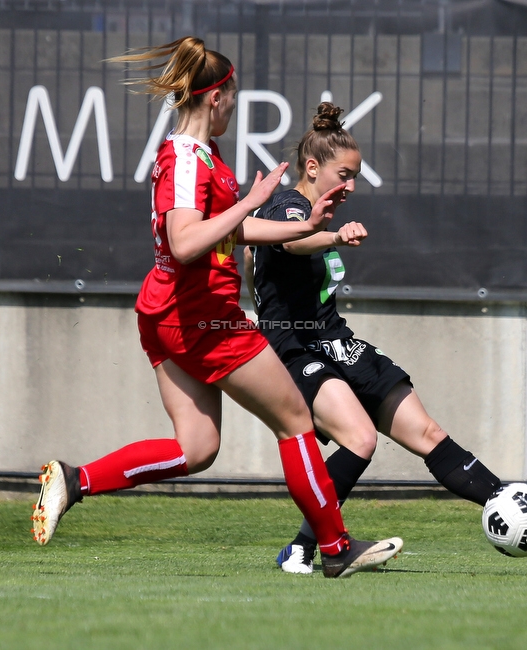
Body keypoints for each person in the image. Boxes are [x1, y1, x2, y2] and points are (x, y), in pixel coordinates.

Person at [31, 39, 402, 579]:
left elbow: (234, 231)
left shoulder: (201, 157)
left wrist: (305, 225)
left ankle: (75, 479)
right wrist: (250, 202)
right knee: (296, 421)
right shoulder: (184, 158)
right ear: (215, 98)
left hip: (169, 316)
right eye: (232, 95)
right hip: (200, 317)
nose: (234, 105)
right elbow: (185, 242)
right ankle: (335, 547)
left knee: (198, 447)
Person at [246, 102, 527, 574]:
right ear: (311, 167)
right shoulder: (290, 207)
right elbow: (287, 239)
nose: (350, 187)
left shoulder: (314, 210)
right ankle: (306, 549)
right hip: (296, 347)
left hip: (334, 339)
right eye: (343, 175)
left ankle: (524, 512)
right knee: (360, 439)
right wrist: (329, 237)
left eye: (355, 177)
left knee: (426, 432)